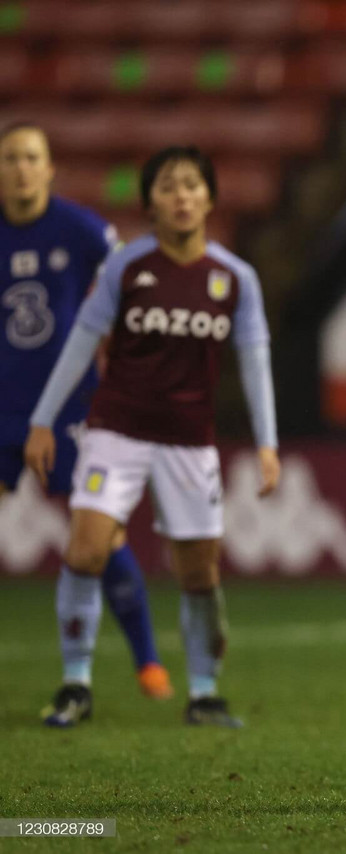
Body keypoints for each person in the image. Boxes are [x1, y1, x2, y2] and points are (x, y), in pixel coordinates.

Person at [25, 145, 280, 728]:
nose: (182, 196)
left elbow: (255, 362)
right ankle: (75, 683)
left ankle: (205, 693)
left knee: (199, 574)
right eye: (168, 186)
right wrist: (44, 419)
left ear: (210, 198)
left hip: (190, 443)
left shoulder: (234, 278)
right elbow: (82, 343)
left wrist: (267, 444)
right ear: (150, 203)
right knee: (85, 548)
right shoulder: (125, 268)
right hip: (115, 431)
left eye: (192, 185)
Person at [0, 123, 172, 701]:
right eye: (11, 158)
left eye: (31, 158)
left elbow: (137, 282)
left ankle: (147, 662)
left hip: (70, 409)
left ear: (48, 169)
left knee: (98, 537)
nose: (21, 168)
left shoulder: (79, 229)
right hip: (1, 408)